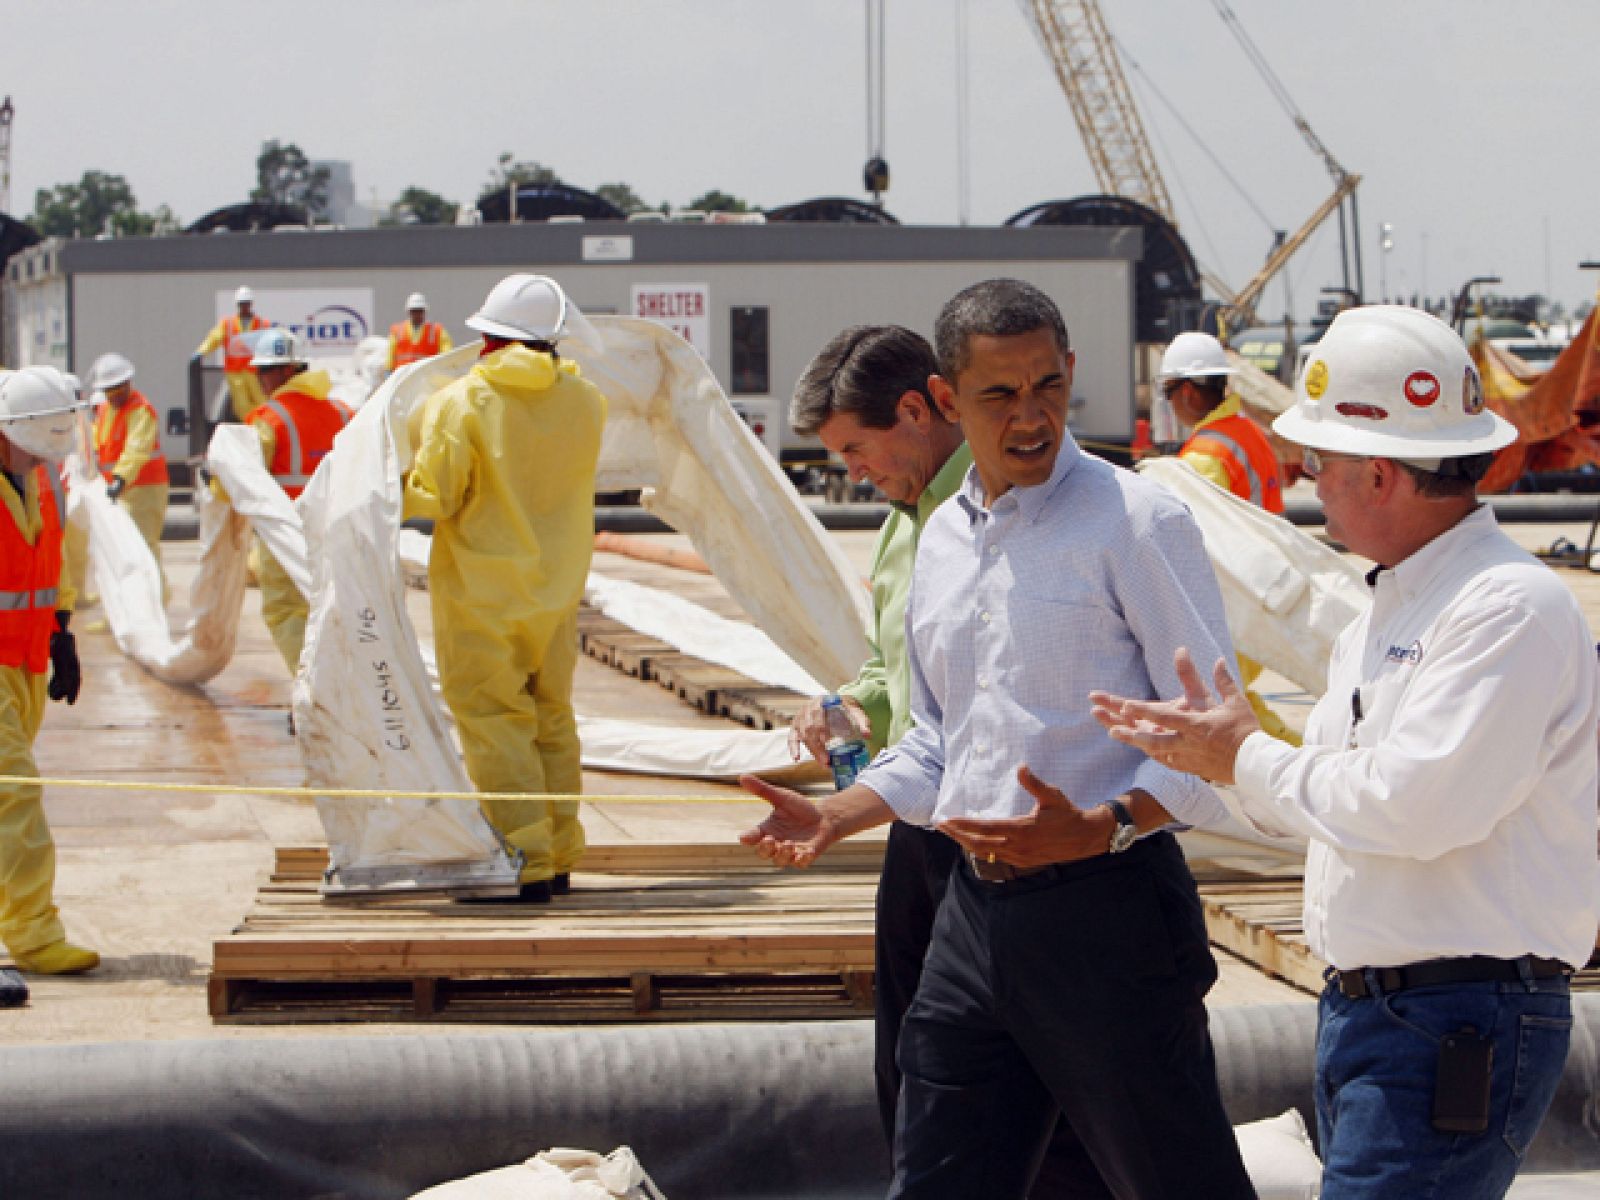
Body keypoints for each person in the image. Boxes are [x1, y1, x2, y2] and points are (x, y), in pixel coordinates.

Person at [741, 279, 1254, 1198]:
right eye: (999, 395)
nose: (1030, 416)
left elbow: (1219, 747)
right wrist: (839, 814)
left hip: (1110, 919)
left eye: (1048, 386)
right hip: (973, 921)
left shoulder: (1137, 524)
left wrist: (1105, 825)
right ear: (947, 397)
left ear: (1071, 374)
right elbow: (938, 740)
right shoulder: (942, 540)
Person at [1092, 305, 1598, 1200]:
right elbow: (1326, 800)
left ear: (1380, 473)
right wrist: (1186, 773)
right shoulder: (1389, 611)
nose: (1306, 476)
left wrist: (1243, 756)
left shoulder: (1507, 607)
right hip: (1390, 1016)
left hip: (1455, 1020)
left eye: (1320, 457)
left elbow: (1412, 806)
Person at [784, 324, 983, 1155]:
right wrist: (852, 702)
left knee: (965, 1056)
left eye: (856, 450)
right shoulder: (904, 518)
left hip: (990, 830)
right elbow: (893, 660)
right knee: (902, 1047)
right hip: (916, 815)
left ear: (916, 410)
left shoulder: (998, 508)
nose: (853, 473)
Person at [404, 275, 607, 904]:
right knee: (551, 719)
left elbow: (435, 497)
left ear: (488, 336)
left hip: (482, 593)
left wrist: (392, 472)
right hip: (557, 590)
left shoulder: (460, 403)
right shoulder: (587, 402)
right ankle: (559, 855)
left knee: (495, 723)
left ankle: (522, 862)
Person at [0, 366, 99, 976]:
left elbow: (53, 555)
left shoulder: (45, 479)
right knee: (15, 794)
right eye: (31, 447)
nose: (40, 458)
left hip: (26, 659)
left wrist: (61, 629)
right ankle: (34, 935)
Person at [1159, 330, 1299, 745]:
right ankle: (1291, 754)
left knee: (1225, 703)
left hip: (1233, 602)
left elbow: (1188, 543)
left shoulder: (1205, 455)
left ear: (1187, 392)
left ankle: (1290, 757)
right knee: (1236, 698)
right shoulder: (1247, 431)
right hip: (1264, 587)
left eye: (1168, 394)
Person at [245, 329, 353, 675]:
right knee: (337, 609)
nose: (259, 379)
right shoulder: (343, 413)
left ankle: (313, 686)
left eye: (264, 371)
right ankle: (343, 685)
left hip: (286, 532)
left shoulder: (268, 418)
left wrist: (215, 479)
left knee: (286, 611)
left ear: (285, 371)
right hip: (338, 529)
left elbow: (245, 475)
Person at [85, 352, 170, 599]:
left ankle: (154, 603)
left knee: (142, 547)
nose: (114, 394)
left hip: (144, 488)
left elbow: (136, 447)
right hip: (120, 489)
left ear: (128, 383)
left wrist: (120, 478)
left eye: (118, 388)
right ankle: (128, 608)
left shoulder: (140, 410)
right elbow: (98, 443)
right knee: (121, 551)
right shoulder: (105, 410)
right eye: (109, 390)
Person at [194, 285, 273, 422]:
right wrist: (201, 352)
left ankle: (265, 424)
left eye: (246, 303)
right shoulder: (227, 324)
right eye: (241, 304)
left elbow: (270, 343)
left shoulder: (262, 324)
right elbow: (214, 339)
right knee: (241, 406)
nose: (244, 307)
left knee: (263, 401)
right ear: (237, 305)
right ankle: (253, 425)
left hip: (255, 372)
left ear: (251, 304)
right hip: (235, 373)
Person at [388, 292, 453, 373]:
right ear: (409, 312)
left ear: (424, 312)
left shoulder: (437, 331)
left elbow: (447, 355)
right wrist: (389, 371)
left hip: (427, 375)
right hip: (403, 376)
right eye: (414, 311)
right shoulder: (397, 330)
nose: (417, 314)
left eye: (419, 311)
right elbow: (390, 355)